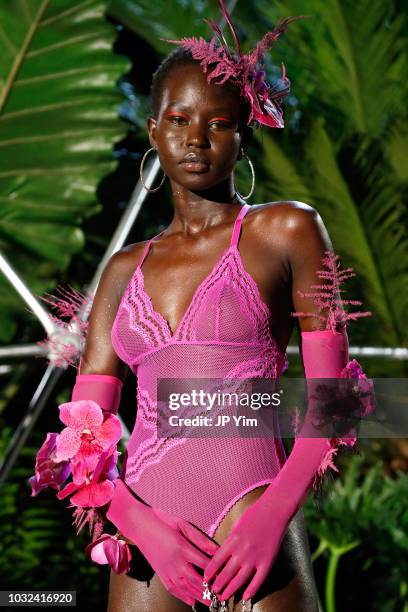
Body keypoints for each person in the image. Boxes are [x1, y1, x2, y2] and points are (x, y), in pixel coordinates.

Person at [30, 4, 373, 611]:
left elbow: (337, 400)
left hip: (253, 518)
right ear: (154, 130)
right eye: (179, 119)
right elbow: (83, 438)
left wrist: (270, 519)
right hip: (151, 543)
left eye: (217, 123)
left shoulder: (285, 230)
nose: (195, 139)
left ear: (243, 132)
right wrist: (142, 528)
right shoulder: (121, 271)